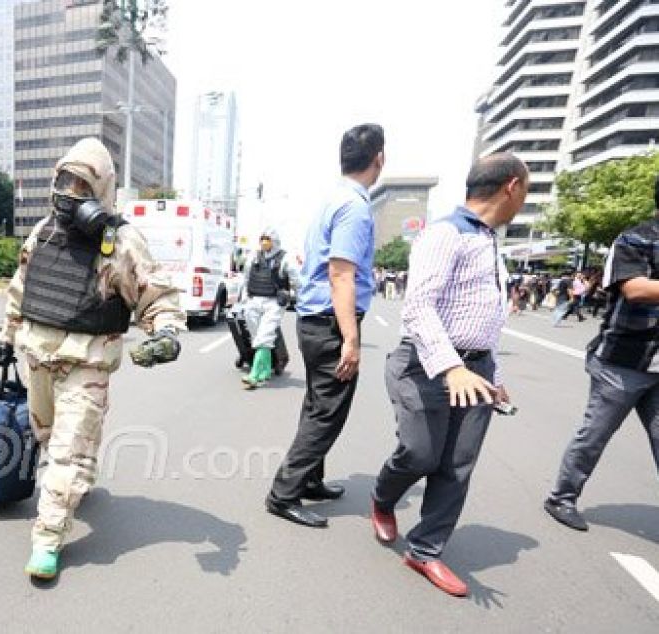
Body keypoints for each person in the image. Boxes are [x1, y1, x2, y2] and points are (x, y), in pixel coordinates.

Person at [0, 138, 186, 580]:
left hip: (86, 365)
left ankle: (47, 537)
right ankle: (76, 475)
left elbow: (156, 295)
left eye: (83, 183)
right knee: (47, 434)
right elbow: (20, 288)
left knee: (66, 450)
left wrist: (167, 333)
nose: (70, 192)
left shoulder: (120, 241)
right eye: (66, 180)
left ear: (102, 191)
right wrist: (7, 338)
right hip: (37, 357)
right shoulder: (43, 230)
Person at [369, 154, 526, 598]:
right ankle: (382, 499)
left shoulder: (491, 243)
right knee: (420, 454)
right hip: (425, 363)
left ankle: (425, 549)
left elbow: (488, 318)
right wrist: (452, 367)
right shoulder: (445, 233)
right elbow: (418, 308)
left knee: (457, 466)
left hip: (476, 371)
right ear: (511, 187)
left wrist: (493, 373)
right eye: (526, 192)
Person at [266, 123, 385, 529]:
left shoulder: (333, 199)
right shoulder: (354, 206)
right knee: (328, 412)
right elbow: (341, 274)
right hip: (329, 323)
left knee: (318, 403)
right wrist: (351, 338)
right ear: (379, 160)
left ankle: (310, 479)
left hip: (315, 318)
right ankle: (284, 494)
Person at [544, 178, 659, 532]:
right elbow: (635, 288)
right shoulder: (635, 238)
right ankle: (561, 497)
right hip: (623, 360)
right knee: (595, 434)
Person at [239, 227, 295, 389]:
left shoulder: (285, 258)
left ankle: (254, 375)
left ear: (274, 241)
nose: (264, 242)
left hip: (274, 302)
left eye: (268, 239)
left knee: (264, 336)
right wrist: (243, 297)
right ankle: (265, 370)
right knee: (257, 336)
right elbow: (246, 278)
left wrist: (296, 297)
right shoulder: (254, 257)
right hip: (254, 300)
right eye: (262, 239)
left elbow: (297, 280)